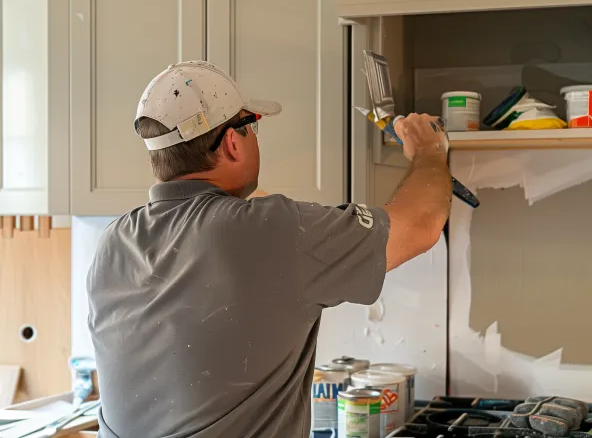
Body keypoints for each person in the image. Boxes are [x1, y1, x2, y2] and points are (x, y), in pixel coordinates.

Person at [87, 60, 452, 438]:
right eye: (252, 125)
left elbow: (221, 228)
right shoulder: (272, 231)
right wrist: (430, 150)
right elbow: (420, 225)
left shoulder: (113, 243)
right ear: (232, 143)